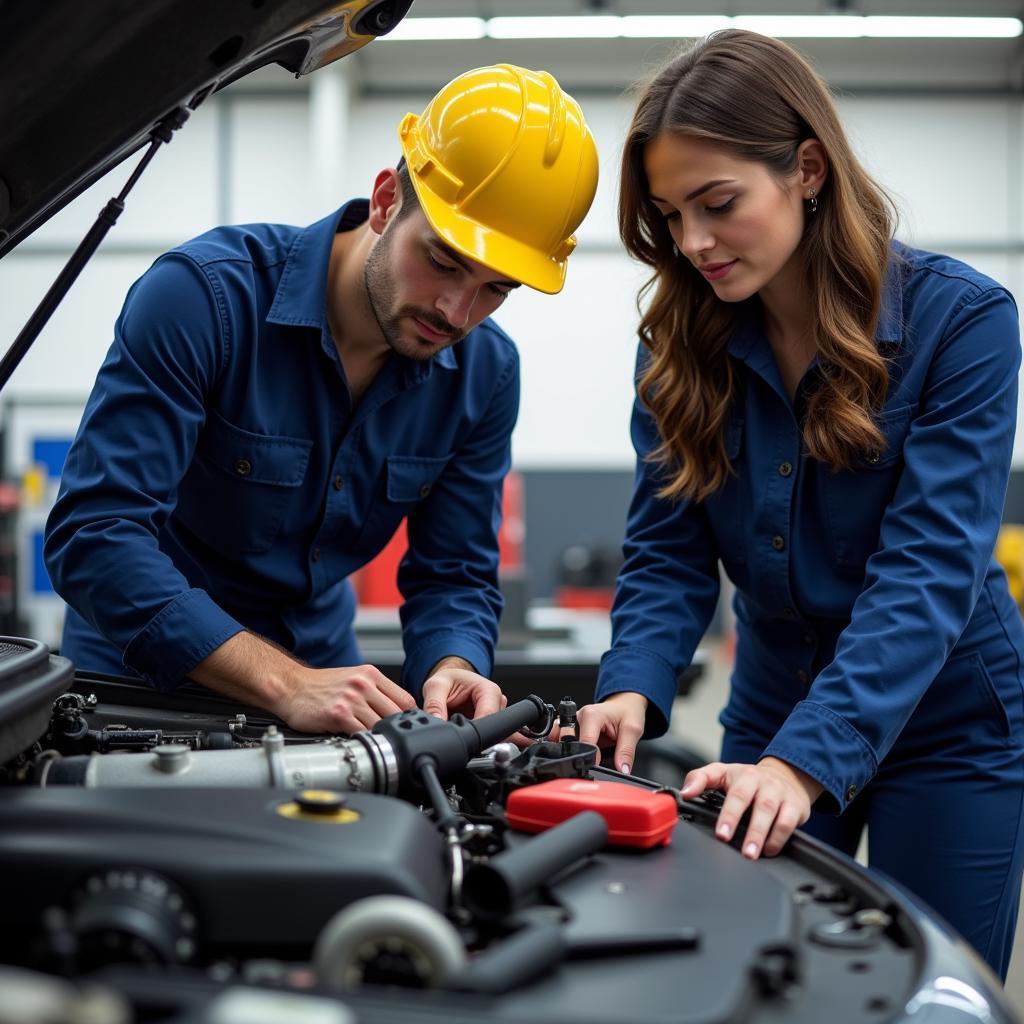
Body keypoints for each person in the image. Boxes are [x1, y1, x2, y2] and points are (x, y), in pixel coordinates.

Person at [567, 30, 1024, 977]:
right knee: (744, 969)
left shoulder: (964, 324)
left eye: (717, 203)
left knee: (929, 986)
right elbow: (668, 551)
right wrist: (630, 685)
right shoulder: (675, 352)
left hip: (947, 722)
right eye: (668, 213)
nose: (692, 243)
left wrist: (804, 763)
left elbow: (928, 569)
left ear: (807, 169)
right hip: (772, 704)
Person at [43, 64, 599, 736]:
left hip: (323, 682)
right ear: (388, 198)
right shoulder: (203, 300)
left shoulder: (485, 372)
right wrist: (282, 681)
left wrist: (453, 662)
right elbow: (96, 536)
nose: (457, 310)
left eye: (497, 288)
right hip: (139, 687)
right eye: (445, 262)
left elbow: (453, 573)